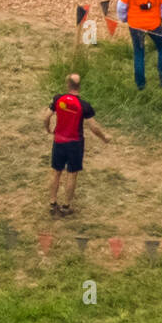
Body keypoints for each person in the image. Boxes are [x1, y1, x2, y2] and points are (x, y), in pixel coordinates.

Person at [44, 73, 111, 217]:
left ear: (67, 85)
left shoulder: (58, 99)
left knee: (56, 172)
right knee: (72, 174)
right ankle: (66, 206)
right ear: (79, 86)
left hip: (59, 141)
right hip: (75, 144)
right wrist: (104, 137)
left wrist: (48, 128)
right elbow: (94, 127)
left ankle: (52, 202)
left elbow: (46, 116)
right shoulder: (84, 106)